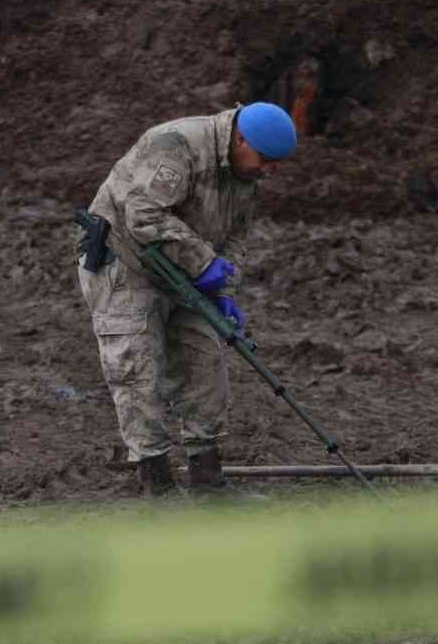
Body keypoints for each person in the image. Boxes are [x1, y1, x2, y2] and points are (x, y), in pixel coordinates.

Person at [77, 102, 298, 498]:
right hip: (126, 264)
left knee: (205, 362)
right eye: (265, 159)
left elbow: (236, 239)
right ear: (241, 138)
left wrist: (222, 291)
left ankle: (207, 480)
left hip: (186, 272)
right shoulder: (177, 146)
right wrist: (204, 263)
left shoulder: (244, 172)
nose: (269, 170)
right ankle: (155, 484)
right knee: (138, 369)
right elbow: (142, 214)